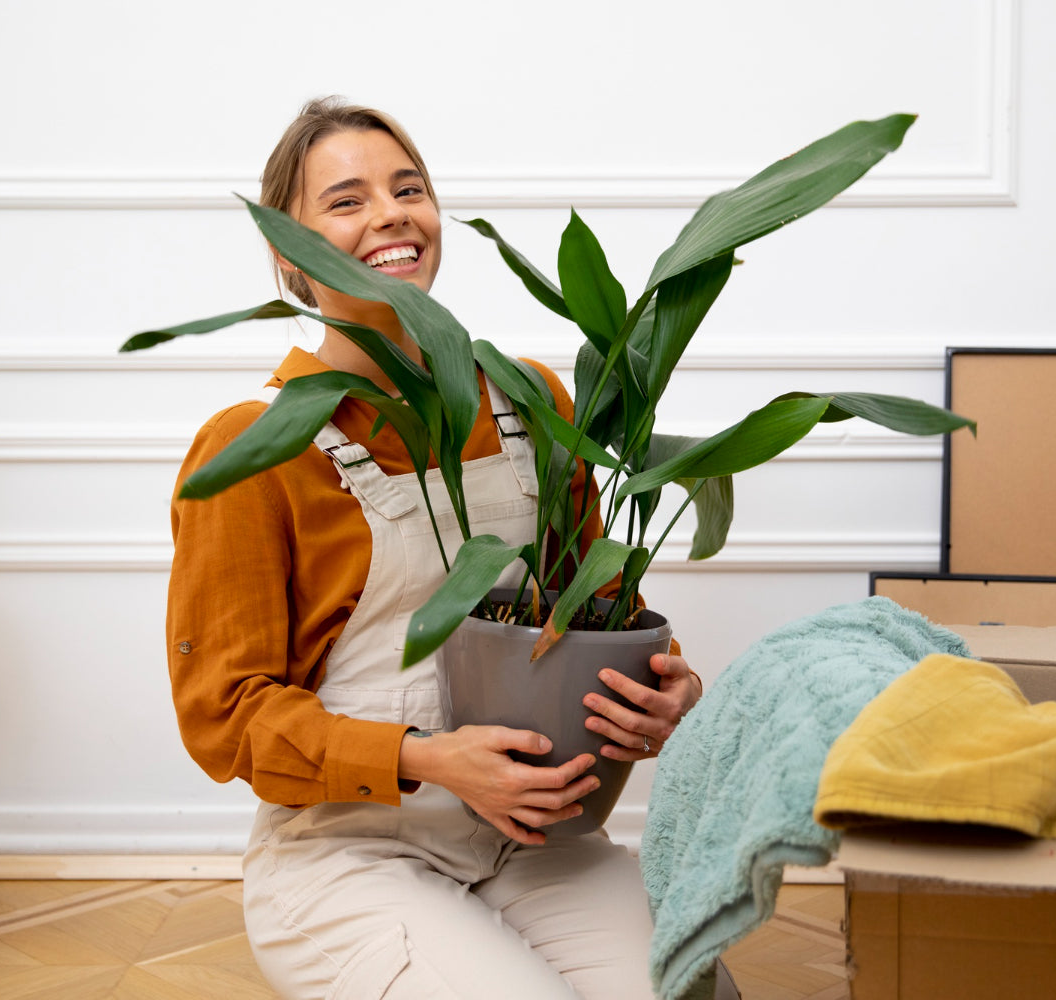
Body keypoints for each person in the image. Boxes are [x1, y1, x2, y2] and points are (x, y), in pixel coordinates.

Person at [167, 97, 703, 999]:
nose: (390, 213)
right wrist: (428, 757)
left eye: (407, 188)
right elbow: (226, 714)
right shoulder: (258, 448)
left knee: (682, 989)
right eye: (346, 200)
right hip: (347, 853)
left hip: (538, 838)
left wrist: (660, 685)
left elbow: (585, 610)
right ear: (286, 249)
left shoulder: (531, 402)